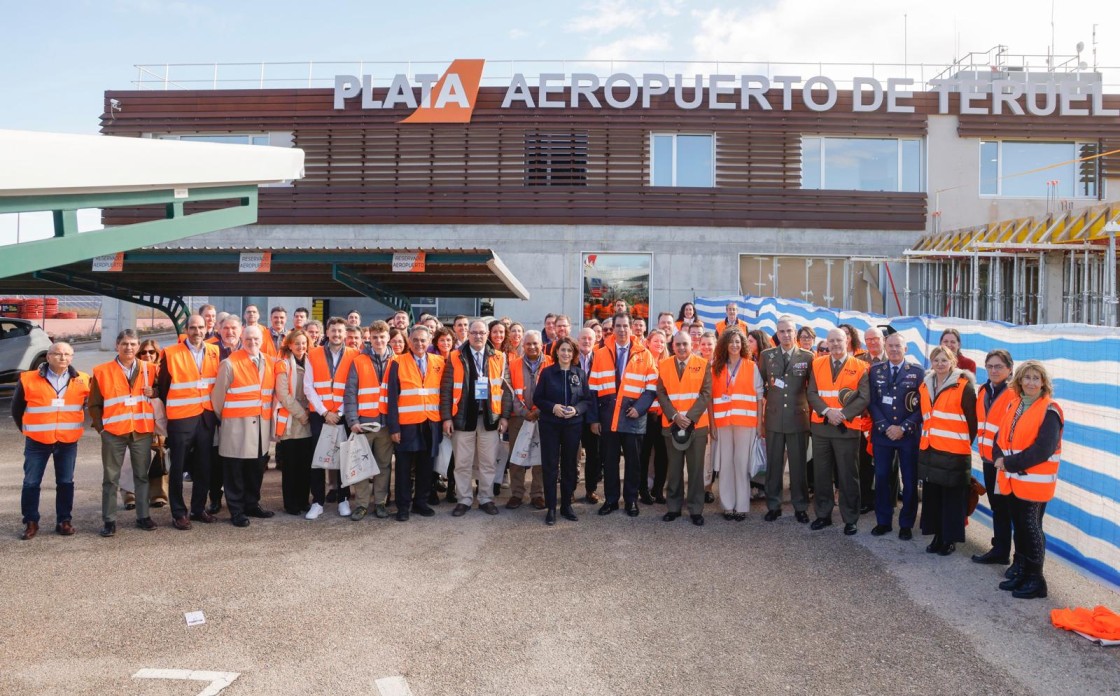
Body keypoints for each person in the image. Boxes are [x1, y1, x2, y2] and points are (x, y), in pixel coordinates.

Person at [993, 360, 1064, 599]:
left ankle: (1036, 580)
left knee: (1032, 528)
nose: (1031, 382)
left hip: (1034, 483)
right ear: (1019, 381)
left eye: (1036, 378)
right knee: (1021, 527)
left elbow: (1043, 449)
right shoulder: (1015, 403)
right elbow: (1000, 435)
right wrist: (998, 456)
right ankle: (1022, 572)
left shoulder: (1050, 410)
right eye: (1027, 377)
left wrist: (1008, 463)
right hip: (1014, 480)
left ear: (1043, 382)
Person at [12, 342, 90, 540]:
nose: (62, 358)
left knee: (65, 482)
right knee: (31, 482)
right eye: (57, 354)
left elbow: (91, 405)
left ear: (72, 357)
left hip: (67, 441)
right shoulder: (28, 379)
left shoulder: (83, 379)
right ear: (48, 357)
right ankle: (31, 522)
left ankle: (64, 521)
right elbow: (16, 409)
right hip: (37, 442)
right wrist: (29, 431)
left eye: (67, 354)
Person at [88, 330, 158, 537]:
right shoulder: (102, 371)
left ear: (138, 347)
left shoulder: (150, 369)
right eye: (125, 343)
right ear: (117, 346)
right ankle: (109, 520)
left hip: (141, 431)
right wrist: (102, 429)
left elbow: (161, 391)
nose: (129, 347)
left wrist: (154, 392)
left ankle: (143, 516)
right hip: (114, 432)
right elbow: (93, 404)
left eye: (133, 344)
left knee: (142, 476)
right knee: (111, 478)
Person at [589, 313, 658, 517]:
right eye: (618, 326)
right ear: (613, 329)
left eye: (625, 326)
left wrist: (640, 408)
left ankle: (631, 501)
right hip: (608, 416)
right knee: (610, 461)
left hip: (634, 415)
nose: (621, 329)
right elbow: (593, 389)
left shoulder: (645, 354)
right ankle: (611, 500)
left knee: (634, 462)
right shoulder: (600, 353)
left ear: (631, 328)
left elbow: (652, 388)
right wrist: (593, 419)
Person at [210, 324, 276, 527]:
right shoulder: (229, 363)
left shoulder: (269, 361)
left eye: (256, 339)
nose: (252, 343)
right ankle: (236, 511)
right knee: (234, 472)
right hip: (236, 427)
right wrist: (228, 420)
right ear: (242, 339)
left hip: (260, 427)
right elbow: (217, 399)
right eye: (248, 339)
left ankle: (252, 504)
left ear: (262, 340)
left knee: (255, 469)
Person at [158, 314, 220, 529]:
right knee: (178, 467)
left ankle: (198, 508)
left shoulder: (214, 351)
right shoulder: (171, 353)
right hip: (181, 418)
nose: (197, 331)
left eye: (201, 327)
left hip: (205, 417)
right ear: (186, 329)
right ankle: (178, 512)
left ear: (206, 328)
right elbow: (164, 387)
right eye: (193, 327)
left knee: (204, 465)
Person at [807, 327, 870, 535]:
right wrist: (827, 412)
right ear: (827, 342)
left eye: (839, 340)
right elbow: (812, 393)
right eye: (831, 341)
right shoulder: (816, 363)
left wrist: (841, 415)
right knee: (822, 474)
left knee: (848, 475)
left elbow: (863, 397)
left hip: (847, 429)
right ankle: (823, 515)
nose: (835, 344)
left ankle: (850, 518)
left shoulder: (861, 366)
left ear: (847, 341)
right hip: (822, 428)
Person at [442, 320, 508, 516]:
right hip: (462, 419)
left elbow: (506, 390)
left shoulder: (499, 357)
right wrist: (447, 418)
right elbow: (446, 390)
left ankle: (486, 498)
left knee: (488, 462)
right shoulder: (455, 356)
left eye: (481, 333)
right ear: (468, 334)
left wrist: (504, 417)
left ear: (487, 334)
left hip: (490, 418)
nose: (478, 336)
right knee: (462, 462)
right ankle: (464, 499)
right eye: (474, 333)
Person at [917, 346, 978, 556]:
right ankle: (937, 535)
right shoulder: (925, 386)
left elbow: (973, 423)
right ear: (931, 363)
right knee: (933, 497)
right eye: (936, 360)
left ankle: (949, 539)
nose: (940, 364)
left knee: (952, 499)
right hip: (930, 450)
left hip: (954, 453)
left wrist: (961, 442)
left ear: (952, 362)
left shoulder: (964, 387)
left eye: (944, 360)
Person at [867, 332, 924, 539]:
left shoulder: (918, 372)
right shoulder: (875, 370)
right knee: (882, 478)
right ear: (885, 347)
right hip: (883, 436)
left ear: (905, 349)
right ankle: (883, 521)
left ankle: (906, 523)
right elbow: (871, 401)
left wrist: (903, 427)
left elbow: (923, 407)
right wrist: (884, 426)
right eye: (889, 346)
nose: (893, 349)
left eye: (897, 346)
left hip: (908, 436)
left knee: (909, 481)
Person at [758, 317, 815, 523]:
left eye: (789, 331)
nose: (785, 335)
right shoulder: (767, 356)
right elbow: (762, 383)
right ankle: (773, 505)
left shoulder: (808, 357)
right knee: (773, 465)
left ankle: (800, 506)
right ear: (777, 333)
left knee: (798, 466)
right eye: (781, 331)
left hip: (798, 419)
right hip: (774, 418)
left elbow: (812, 388)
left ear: (795, 332)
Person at [534, 337, 595, 524]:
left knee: (569, 465)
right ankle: (551, 507)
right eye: (563, 350)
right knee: (550, 466)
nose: (566, 354)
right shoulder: (547, 373)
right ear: (557, 352)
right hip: (550, 425)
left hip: (572, 426)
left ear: (574, 353)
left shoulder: (580, 373)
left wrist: (576, 410)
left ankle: (566, 506)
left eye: (569, 350)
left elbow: (587, 400)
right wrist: (553, 407)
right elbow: (538, 398)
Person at [387, 325, 443, 522]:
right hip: (406, 424)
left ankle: (421, 502)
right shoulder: (397, 362)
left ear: (429, 342)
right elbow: (391, 398)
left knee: (426, 467)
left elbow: (442, 393)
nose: (419, 343)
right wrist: (393, 427)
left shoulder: (439, 361)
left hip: (431, 423)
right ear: (409, 342)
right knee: (403, 468)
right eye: (416, 340)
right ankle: (403, 506)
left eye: (423, 340)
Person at [303, 317, 357, 519]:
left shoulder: (354, 355)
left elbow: (353, 387)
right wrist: (325, 412)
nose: (336, 334)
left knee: (344, 458)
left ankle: (343, 499)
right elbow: (308, 387)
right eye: (333, 330)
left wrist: (340, 413)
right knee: (318, 460)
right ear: (327, 332)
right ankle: (317, 501)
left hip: (343, 415)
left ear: (345, 334)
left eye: (340, 331)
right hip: (321, 415)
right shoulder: (313, 354)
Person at [657, 331, 712, 526]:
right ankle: (673, 507)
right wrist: (674, 416)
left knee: (696, 470)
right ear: (673, 346)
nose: (681, 348)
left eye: (685, 344)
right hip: (671, 425)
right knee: (674, 469)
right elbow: (661, 393)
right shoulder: (663, 365)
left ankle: (696, 509)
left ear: (692, 344)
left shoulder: (703, 364)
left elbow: (706, 394)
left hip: (696, 426)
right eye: (678, 344)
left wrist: (688, 418)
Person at [344, 320, 397, 520]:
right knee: (361, 466)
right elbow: (350, 394)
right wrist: (352, 421)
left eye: (382, 337)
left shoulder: (397, 361)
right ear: (369, 339)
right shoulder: (359, 361)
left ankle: (381, 503)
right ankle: (362, 504)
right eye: (374, 337)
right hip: (364, 424)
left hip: (386, 425)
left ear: (388, 338)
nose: (378, 340)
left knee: (384, 466)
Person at [710, 328, 762, 521]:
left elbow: (759, 396)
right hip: (723, 422)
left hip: (745, 422)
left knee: (741, 464)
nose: (734, 345)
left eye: (738, 342)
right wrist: (712, 424)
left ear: (743, 345)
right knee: (725, 464)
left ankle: (741, 505)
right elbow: (711, 398)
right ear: (724, 345)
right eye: (731, 342)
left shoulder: (751, 366)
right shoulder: (716, 367)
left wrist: (759, 424)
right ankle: (727, 505)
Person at [972, 349, 1017, 566]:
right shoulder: (983, 390)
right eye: (990, 366)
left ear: (1009, 369)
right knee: (997, 506)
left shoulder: (1015, 394)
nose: (993, 370)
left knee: (1009, 509)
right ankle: (1000, 550)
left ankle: (1012, 556)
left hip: (1006, 463)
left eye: (999, 366)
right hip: (989, 459)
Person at [503, 330, 550, 511]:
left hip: (543, 417)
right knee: (516, 457)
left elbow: (551, 391)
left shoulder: (550, 363)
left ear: (541, 345)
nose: (532, 347)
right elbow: (509, 391)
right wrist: (524, 412)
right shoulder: (513, 364)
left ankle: (537, 495)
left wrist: (538, 411)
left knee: (540, 457)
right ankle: (516, 494)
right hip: (519, 418)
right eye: (528, 344)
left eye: (535, 343)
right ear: (523, 346)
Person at [273, 328, 314, 516]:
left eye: (304, 343)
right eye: (297, 343)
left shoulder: (311, 362)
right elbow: (283, 394)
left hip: (308, 420)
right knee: (290, 466)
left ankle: (303, 500)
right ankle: (291, 504)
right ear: (289, 344)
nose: (301, 346)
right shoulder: (282, 364)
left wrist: (309, 412)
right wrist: (302, 414)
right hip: (292, 420)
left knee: (305, 464)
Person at [127, 338, 168, 511]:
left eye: (151, 352)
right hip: (132, 421)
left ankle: (158, 494)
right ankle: (130, 495)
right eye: (144, 352)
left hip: (155, 421)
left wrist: (155, 392)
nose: (148, 355)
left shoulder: (161, 371)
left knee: (158, 455)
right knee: (130, 459)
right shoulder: (131, 370)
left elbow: (166, 391)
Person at [639, 328, 670, 504]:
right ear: (648, 342)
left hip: (663, 416)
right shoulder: (642, 362)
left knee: (662, 455)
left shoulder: (668, 364)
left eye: (662, 341)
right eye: (656, 340)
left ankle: (658, 490)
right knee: (643, 455)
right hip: (646, 416)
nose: (659, 344)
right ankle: (643, 490)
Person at [575, 327, 602, 503]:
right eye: (583, 338)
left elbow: (601, 392)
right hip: (574, 415)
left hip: (593, 415)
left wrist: (596, 419)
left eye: (589, 338)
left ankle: (590, 490)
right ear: (578, 340)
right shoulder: (571, 358)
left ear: (595, 341)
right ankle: (569, 491)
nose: (586, 341)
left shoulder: (601, 359)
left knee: (594, 455)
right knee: (570, 455)